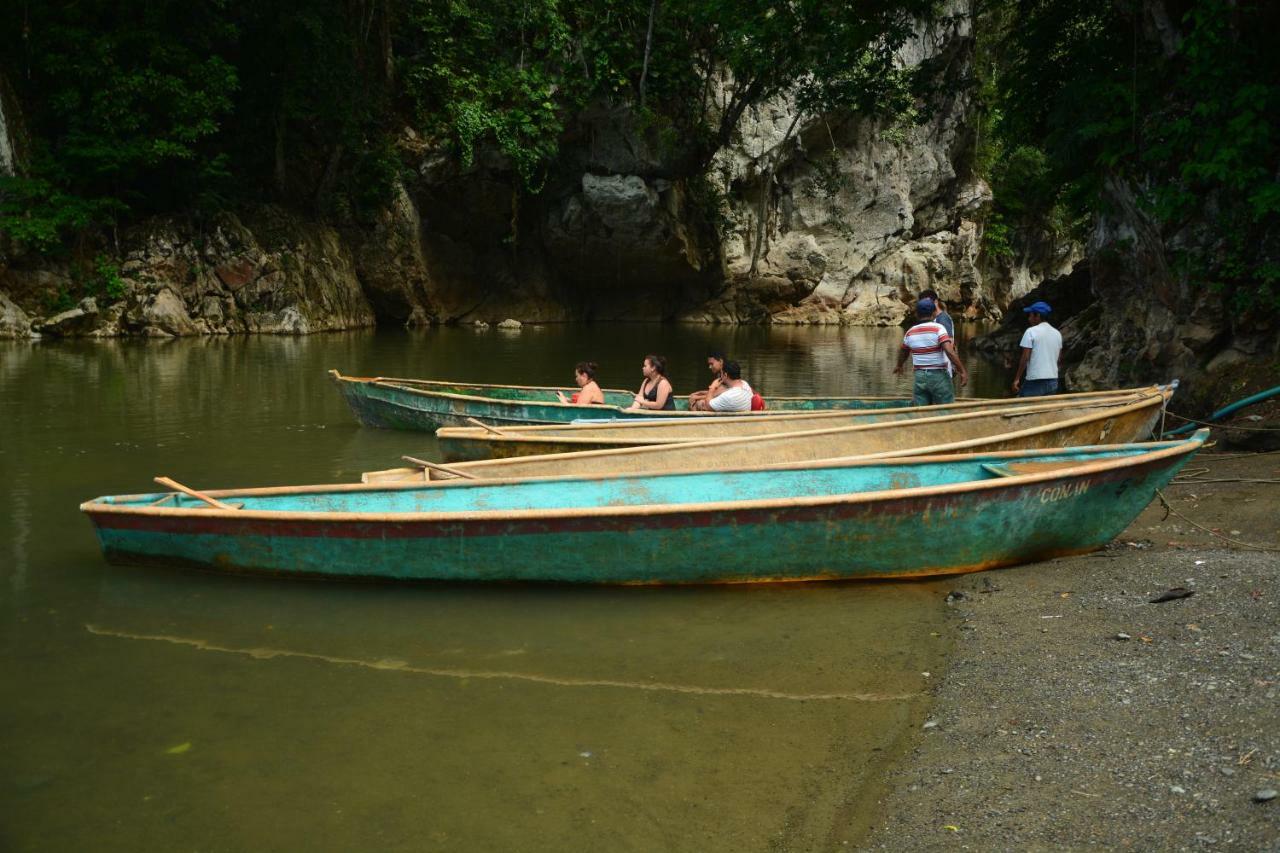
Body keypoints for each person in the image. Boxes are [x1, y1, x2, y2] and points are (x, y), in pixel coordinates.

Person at [894, 297, 968, 405]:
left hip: (920, 377)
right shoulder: (939, 328)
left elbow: (904, 352)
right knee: (946, 407)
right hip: (938, 376)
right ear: (934, 313)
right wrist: (962, 371)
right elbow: (949, 351)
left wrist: (899, 365)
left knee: (921, 409)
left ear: (917, 314)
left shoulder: (910, 332)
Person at [1012, 300, 1063, 397]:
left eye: (1030, 315)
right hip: (1053, 381)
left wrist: (1017, 379)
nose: (1029, 318)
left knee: (1023, 408)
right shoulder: (1057, 334)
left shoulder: (1031, 332)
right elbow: (1059, 359)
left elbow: (1025, 357)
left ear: (1038, 316)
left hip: (1035, 381)